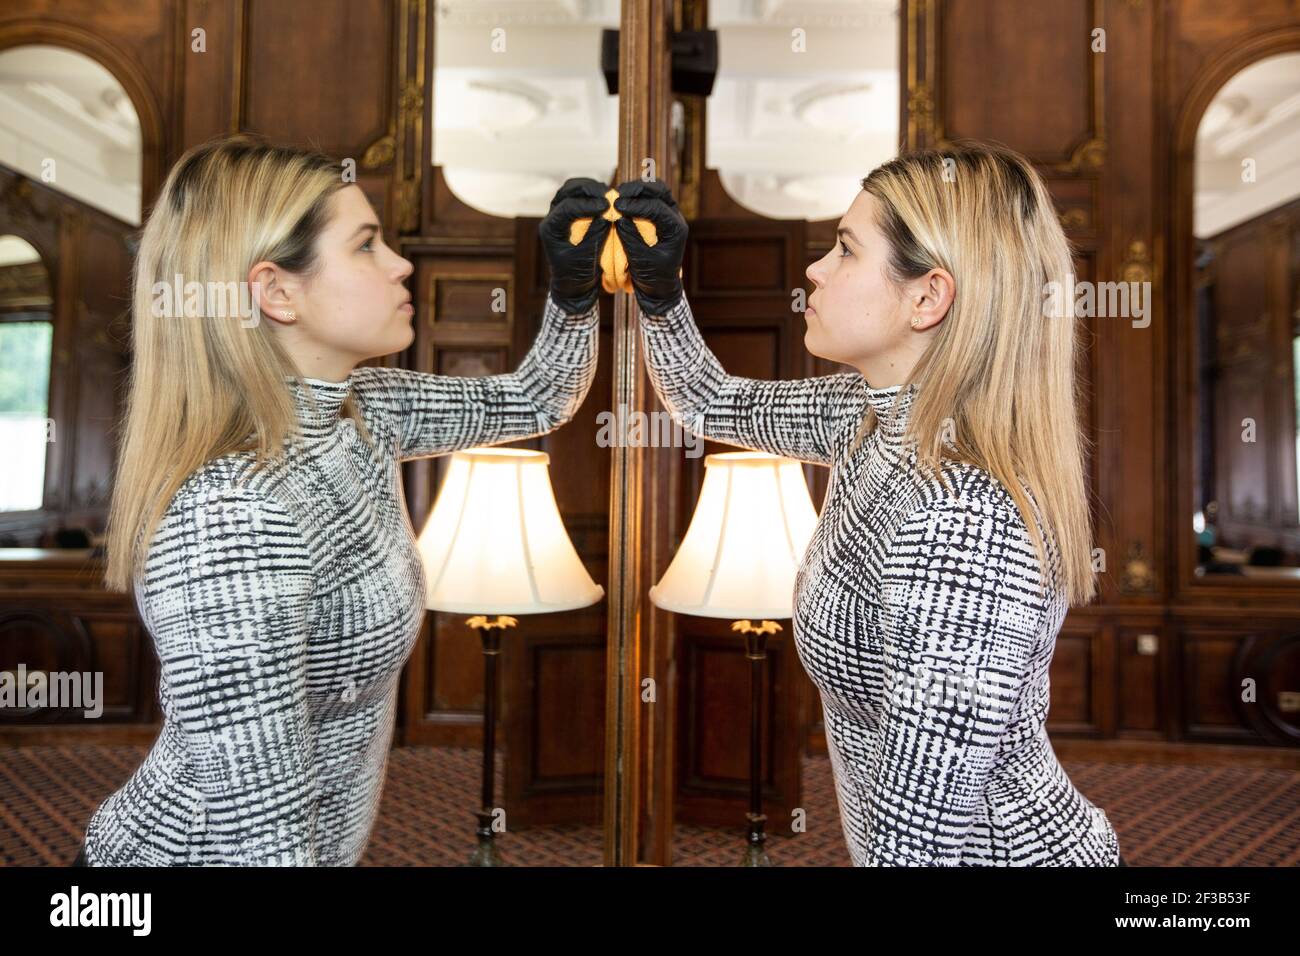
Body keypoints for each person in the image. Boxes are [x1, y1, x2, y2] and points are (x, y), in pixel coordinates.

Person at [77, 135, 610, 865]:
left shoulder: (365, 409)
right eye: (366, 246)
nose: (401, 264)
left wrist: (573, 290)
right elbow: (262, 843)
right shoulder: (232, 515)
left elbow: (537, 398)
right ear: (277, 291)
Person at [612, 141, 1124, 866]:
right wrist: (661, 291)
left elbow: (914, 847)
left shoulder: (962, 522)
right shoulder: (872, 414)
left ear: (927, 297)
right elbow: (710, 402)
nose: (815, 270)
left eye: (845, 250)